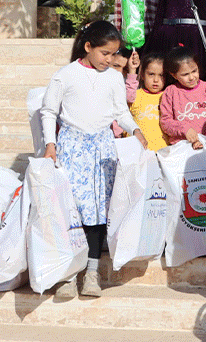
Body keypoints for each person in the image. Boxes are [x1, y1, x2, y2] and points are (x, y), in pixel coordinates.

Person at [41, 22, 147, 299]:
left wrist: (135, 129)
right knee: (70, 210)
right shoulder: (65, 75)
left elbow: (120, 112)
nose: (110, 60)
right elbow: (49, 112)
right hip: (71, 148)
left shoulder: (113, 78)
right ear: (88, 47)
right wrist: (50, 145)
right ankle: (67, 273)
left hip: (102, 150)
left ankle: (91, 272)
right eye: (104, 53)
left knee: (98, 212)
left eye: (113, 55)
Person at [159, 44, 206, 147]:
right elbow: (165, 122)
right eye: (185, 74)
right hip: (180, 148)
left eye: (194, 71)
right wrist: (184, 129)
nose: (191, 77)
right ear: (173, 75)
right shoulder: (170, 92)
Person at [130, 53, 168, 151]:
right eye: (151, 74)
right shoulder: (134, 95)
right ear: (142, 74)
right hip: (136, 150)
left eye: (161, 75)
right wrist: (132, 70)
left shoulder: (168, 96)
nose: (156, 80)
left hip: (163, 152)